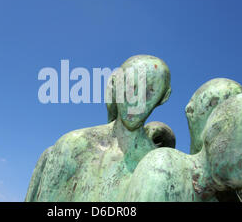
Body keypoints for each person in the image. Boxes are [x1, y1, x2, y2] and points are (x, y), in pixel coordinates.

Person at [25, 55, 172, 201]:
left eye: (150, 91)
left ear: (164, 97)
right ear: (114, 84)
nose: (136, 100)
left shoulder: (161, 172)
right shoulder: (72, 146)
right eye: (129, 86)